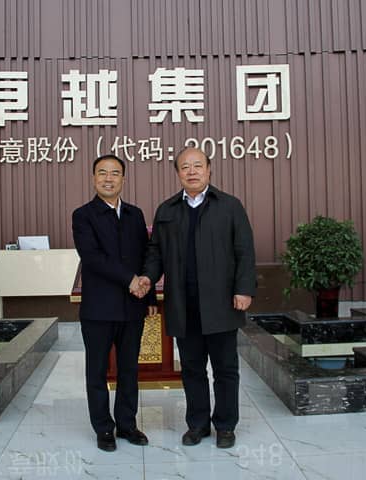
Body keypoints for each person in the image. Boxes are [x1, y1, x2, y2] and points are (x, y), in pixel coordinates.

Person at [140, 147, 256, 449]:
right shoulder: (167, 210)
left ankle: (226, 426)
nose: (191, 171)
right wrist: (147, 278)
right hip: (184, 304)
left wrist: (244, 289)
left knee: (225, 369)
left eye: (197, 165)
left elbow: (244, 250)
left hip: (221, 303)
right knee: (192, 369)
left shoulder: (229, 206)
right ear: (177, 172)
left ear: (209, 169)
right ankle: (198, 424)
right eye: (185, 167)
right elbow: (155, 253)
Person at [72, 154, 155, 452]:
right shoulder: (83, 215)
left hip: (133, 307)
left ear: (123, 179)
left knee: (129, 369)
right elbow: (92, 257)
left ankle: (127, 425)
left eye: (115, 173)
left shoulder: (135, 214)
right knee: (96, 371)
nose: (109, 178)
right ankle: (103, 428)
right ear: (94, 178)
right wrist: (129, 279)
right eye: (103, 173)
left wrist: (148, 292)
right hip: (98, 309)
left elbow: (145, 254)